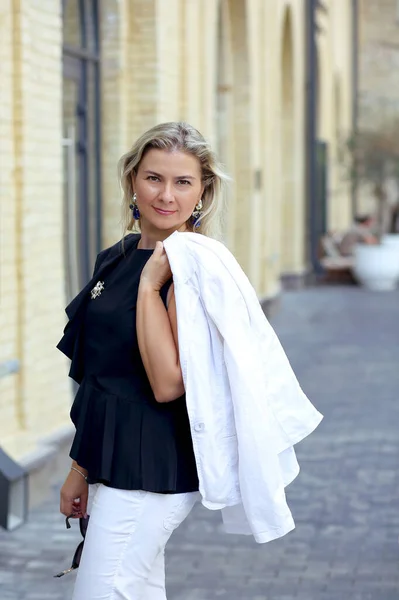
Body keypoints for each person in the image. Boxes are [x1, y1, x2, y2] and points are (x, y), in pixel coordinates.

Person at [57, 122, 322, 600]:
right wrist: (80, 466)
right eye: (154, 178)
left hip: (151, 468)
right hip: (110, 462)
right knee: (135, 590)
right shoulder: (113, 258)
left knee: (105, 591)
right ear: (132, 180)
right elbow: (100, 379)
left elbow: (167, 384)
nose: (166, 195)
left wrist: (148, 287)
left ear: (202, 192)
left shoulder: (192, 266)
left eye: (183, 182)